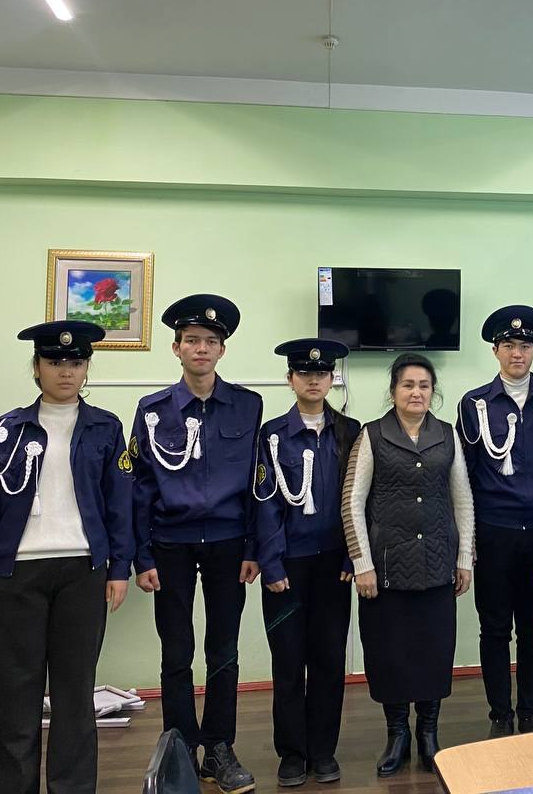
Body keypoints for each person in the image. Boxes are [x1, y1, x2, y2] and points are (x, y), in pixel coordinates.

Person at [0, 320, 134, 794]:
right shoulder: (6, 430)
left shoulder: (105, 428)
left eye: (76, 362)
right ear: (36, 368)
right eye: (54, 362)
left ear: (87, 368)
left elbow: (120, 505)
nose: (66, 371)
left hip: (82, 571)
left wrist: (120, 568)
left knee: (75, 696)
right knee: (17, 697)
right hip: (16, 576)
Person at [130, 295, 262, 794]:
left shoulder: (248, 405)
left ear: (222, 350)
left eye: (210, 341)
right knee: (177, 649)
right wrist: (142, 554)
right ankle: (182, 748)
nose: (201, 348)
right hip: (171, 543)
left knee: (223, 648)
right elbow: (140, 485)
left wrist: (252, 546)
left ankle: (220, 748)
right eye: (191, 341)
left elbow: (257, 483)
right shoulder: (152, 410)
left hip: (229, 541)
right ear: (176, 348)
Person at [341, 353, 474, 776]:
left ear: (433, 392)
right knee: (391, 655)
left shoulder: (447, 435)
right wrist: (362, 563)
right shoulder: (372, 435)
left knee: (434, 652)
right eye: (407, 385)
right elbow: (351, 502)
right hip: (386, 571)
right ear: (393, 390)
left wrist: (464, 558)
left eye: (424, 385)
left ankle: (428, 733)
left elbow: (463, 499)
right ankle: (397, 733)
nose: (416, 392)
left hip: (438, 565)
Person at [256, 339, 360, 787]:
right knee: (288, 660)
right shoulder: (272, 435)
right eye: (304, 373)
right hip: (288, 566)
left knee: (328, 659)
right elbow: (264, 501)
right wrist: (271, 562)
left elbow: (358, 500)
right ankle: (292, 753)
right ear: (291, 379)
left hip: (334, 565)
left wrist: (353, 554)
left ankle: (323, 750)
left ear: (332, 378)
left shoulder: (350, 431)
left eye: (322, 373)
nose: (314, 380)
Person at [458, 305, 533, 737]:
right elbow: (464, 475)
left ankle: (530, 710)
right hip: (494, 530)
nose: (518, 353)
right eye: (510, 345)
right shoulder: (474, 403)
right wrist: (467, 539)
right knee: (495, 628)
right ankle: (500, 713)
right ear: (495, 350)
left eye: (526, 346)